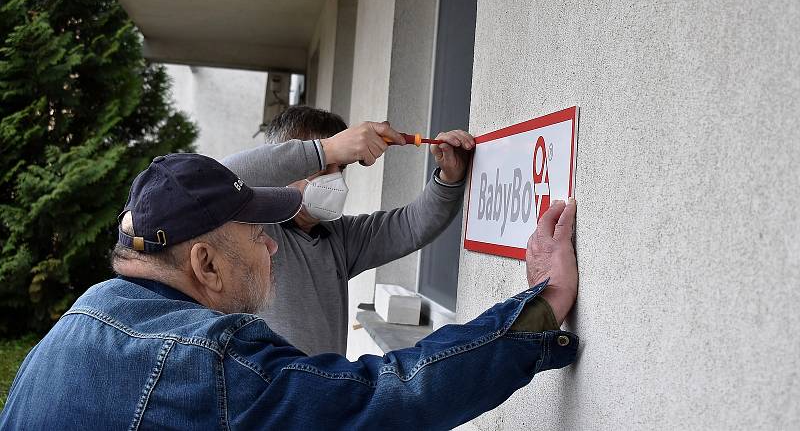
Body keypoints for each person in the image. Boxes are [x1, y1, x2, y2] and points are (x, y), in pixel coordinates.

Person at [0, 151, 579, 430]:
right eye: (257, 233)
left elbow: (409, 224)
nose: (272, 245)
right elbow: (388, 399)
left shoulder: (73, 327)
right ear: (205, 262)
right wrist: (544, 306)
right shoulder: (206, 360)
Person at [221, 106, 475, 355]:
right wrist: (329, 150)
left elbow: (411, 226)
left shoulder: (338, 237)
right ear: (283, 164)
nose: (335, 178)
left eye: (340, 167)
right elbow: (218, 179)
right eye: (322, 166)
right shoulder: (253, 230)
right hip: (270, 394)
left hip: (329, 391)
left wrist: (449, 178)